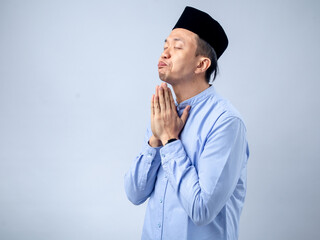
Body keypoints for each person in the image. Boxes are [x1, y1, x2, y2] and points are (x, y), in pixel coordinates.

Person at [124, 6, 249, 240]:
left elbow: (202, 210)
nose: (164, 54)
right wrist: (155, 138)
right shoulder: (165, 113)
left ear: (201, 65)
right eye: (164, 47)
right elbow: (134, 193)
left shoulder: (226, 122)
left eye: (177, 47)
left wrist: (171, 140)